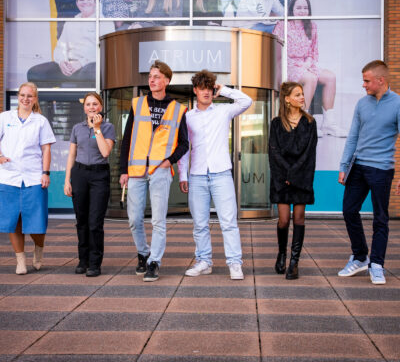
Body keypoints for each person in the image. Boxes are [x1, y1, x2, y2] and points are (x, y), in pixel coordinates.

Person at [178, 70, 252, 280]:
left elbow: (246, 101)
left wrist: (224, 90)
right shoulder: (188, 117)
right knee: (200, 224)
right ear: (195, 90)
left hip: (221, 174)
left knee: (228, 222)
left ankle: (235, 263)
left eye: (210, 88)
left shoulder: (223, 111)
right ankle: (204, 262)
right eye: (202, 88)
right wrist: (183, 175)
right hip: (197, 175)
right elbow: (184, 148)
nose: (206, 92)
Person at [119, 60, 188, 282]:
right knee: (134, 218)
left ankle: (154, 262)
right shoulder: (138, 104)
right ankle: (143, 253)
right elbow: (127, 139)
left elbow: (184, 144)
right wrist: (123, 170)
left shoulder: (178, 109)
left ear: (166, 80)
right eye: (150, 76)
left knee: (158, 220)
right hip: (136, 170)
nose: (152, 80)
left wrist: (169, 161)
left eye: (157, 76)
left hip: (160, 170)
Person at [338, 60, 400, 285]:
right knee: (349, 210)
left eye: (367, 81)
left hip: (382, 169)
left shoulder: (397, 104)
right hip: (358, 166)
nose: (363, 85)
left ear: (380, 80)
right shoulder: (362, 104)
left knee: (380, 218)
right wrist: (344, 166)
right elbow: (353, 136)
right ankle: (360, 256)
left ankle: (377, 264)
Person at [0, 82, 56, 275]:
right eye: (22, 95)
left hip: (33, 177)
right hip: (9, 177)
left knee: (37, 223)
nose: (25, 99)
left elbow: (46, 149)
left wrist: (45, 173)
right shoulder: (4, 118)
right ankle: (20, 260)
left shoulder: (40, 121)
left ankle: (38, 249)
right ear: (18, 96)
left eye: (29, 96)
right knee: (13, 221)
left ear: (35, 99)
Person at [273, 0, 346, 137]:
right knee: (311, 78)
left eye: (305, 8)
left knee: (330, 77)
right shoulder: (283, 25)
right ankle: (301, 121)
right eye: (299, 7)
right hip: (289, 65)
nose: (302, 11)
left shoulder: (312, 26)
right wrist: (299, 65)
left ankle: (329, 124)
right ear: (292, 9)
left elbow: (314, 52)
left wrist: (307, 63)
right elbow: (277, 51)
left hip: (306, 65)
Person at [268, 81, 317, 280]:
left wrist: (294, 174)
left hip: (301, 178)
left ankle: (294, 262)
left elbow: (309, 154)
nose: (302, 97)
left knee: (298, 218)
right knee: (283, 220)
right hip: (281, 178)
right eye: (297, 94)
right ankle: (282, 254)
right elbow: (273, 152)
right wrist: (286, 175)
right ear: (287, 99)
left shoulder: (310, 122)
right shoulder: (276, 123)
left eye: (302, 94)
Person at [64, 92, 115, 277]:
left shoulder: (108, 127)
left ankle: (94, 263)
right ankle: (83, 260)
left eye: (95, 104)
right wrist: (67, 180)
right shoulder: (77, 128)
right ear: (84, 107)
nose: (92, 107)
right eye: (88, 104)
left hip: (99, 174)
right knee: (82, 220)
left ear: (100, 107)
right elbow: (72, 154)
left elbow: (105, 152)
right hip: (79, 174)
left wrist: (97, 128)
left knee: (95, 222)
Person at [27, 0, 96, 88]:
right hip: (69, 64)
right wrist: (62, 62)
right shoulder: (70, 23)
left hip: (88, 64)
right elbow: (60, 47)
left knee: (88, 74)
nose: (85, 2)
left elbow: (104, 50)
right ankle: (48, 99)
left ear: (95, 2)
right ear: (77, 3)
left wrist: (81, 63)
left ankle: (82, 99)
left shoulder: (102, 22)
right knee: (35, 73)